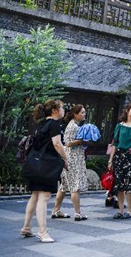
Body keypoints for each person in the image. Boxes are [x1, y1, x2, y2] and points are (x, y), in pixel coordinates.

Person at [21, 100, 68, 243]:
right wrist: (65, 159)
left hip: (36, 164)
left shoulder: (42, 124)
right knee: (44, 197)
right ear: (54, 110)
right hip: (47, 165)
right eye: (62, 108)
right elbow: (57, 144)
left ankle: (26, 227)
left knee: (34, 196)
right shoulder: (54, 124)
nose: (63, 111)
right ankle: (42, 232)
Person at [51, 105, 88, 221]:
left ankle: (56, 210)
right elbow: (68, 143)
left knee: (64, 186)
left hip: (71, 158)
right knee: (75, 186)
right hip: (73, 159)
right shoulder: (73, 127)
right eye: (82, 112)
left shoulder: (74, 125)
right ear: (75, 114)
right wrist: (82, 140)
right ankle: (77, 213)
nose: (84, 114)